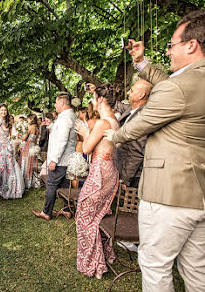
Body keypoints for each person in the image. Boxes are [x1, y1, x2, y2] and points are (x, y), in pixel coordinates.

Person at [105, 8, 205, 292]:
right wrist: (141, 62)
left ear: (192, 45)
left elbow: (139, 124)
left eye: (171, 45)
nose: (167, 52)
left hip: (171, 195)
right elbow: (172, 86)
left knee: (155, 265)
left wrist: (113, 135)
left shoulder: (180, 89)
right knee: (197, 267)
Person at [74, 83, 120, 279]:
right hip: (108, 171)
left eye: (93, 96)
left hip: (100, 173)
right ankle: (107, 255)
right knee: (98, 215)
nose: (92, 100)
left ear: (101, 99)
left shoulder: (103, 123)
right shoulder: (115, 120)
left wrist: (85, 133)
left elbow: (86, 149)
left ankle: (94, 264)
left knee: (85, 215)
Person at [32, 94, 77, 220]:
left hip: (61, 159)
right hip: (67, 158)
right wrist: (51, 125)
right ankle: (67, 210)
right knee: (65, 186)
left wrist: (54, 160)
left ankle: (46, 212)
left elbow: (62, 141)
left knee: (51, 184)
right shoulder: (69, 116)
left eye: (56, 103)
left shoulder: (65, 118)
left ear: (62, 104)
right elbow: (61, 133)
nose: (55, 106)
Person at [114, 79, 152, 188]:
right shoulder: (130, 109)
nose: (128, 93)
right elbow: (115, 104)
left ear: (141, 95)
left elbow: (136, 151)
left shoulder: (143, 116)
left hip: (133, 176)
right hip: (122, 167)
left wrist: (125, 179)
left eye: (131, 90)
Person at [0, 104, 24, 199]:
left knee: (10, 166)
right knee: (1, 166)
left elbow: (10, 134)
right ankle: (1, 187)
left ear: (7, 111)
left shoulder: (9, 121)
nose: (3, 112)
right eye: (1, 110)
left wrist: (10, 143)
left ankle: (12, 187)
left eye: (5, 110)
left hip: (8, 146)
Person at [20, 114, 40, 188]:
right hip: (34, 146)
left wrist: (21, 135)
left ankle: (25, 182)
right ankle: (32, 181)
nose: (27, 120)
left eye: (28, 119)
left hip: (28, 146)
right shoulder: (37, 127)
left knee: (26, 162)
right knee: (32, 163)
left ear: (31, 119)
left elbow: (24, 138)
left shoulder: (31, 127)